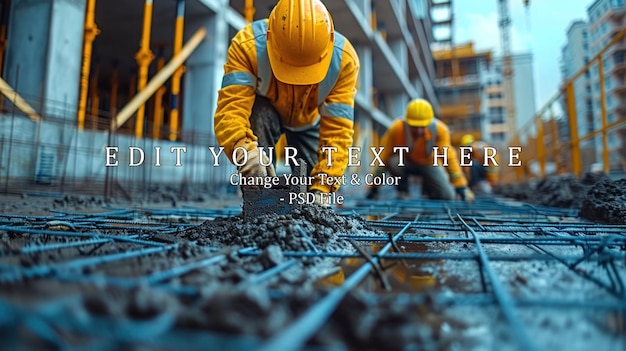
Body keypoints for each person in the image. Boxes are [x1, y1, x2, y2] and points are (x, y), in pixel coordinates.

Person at [213, 0, 360, 206]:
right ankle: (259, 201)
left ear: (329, 41)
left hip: (309, 122)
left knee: (313, 196)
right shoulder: (247, 47)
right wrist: (244, 151)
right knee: (258, 113)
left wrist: (325, 184)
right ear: (270, 38)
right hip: (266, 114)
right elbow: (231, 110)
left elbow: (337, 131)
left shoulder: (344, 61)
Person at [366, 98, 474, 201]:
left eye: (422, 127)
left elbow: (448, 157)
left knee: (447, 196)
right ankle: (403, 191)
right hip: (406, 163)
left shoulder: (440, 130)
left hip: (429, 164)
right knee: (393, 161)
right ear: (407, 121)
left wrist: (461, 186)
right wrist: (373, 187)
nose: (418, 131)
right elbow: (382, 157)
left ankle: (428, 189)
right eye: (414, 126)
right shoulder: (396, 128)